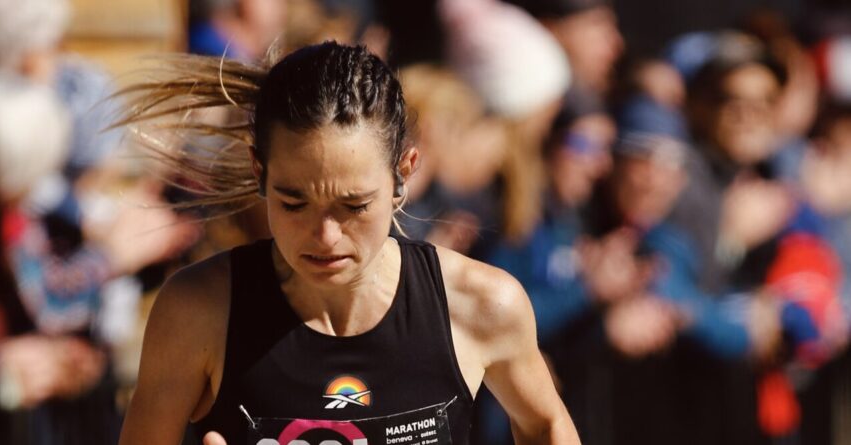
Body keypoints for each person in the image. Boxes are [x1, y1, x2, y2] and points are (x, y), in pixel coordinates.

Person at [116, 41, 578, 445]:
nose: (325, 237)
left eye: (354, 206)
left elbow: (545, 425)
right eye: (294, 203)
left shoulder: (480, 304)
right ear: (260, 171)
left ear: (405, 172)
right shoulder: (200, 310)